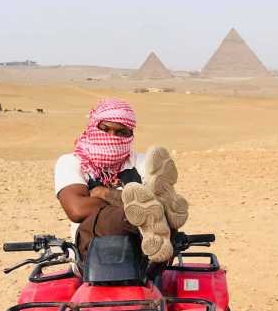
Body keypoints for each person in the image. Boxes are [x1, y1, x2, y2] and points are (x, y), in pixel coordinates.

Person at [53, 98, 188, 263]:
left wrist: (105, 194)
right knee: (118, 218)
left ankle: (154, 216)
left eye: (121, 132)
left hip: (145, 254)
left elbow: (87, 205)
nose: (112, 137)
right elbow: (78, 210)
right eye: (105, 129)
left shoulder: (144, 162)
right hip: (92, 252)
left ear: (131, 134)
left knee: (151, 209)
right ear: (92, 127)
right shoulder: (72, 162)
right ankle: (154, 214)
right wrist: (133, 205)